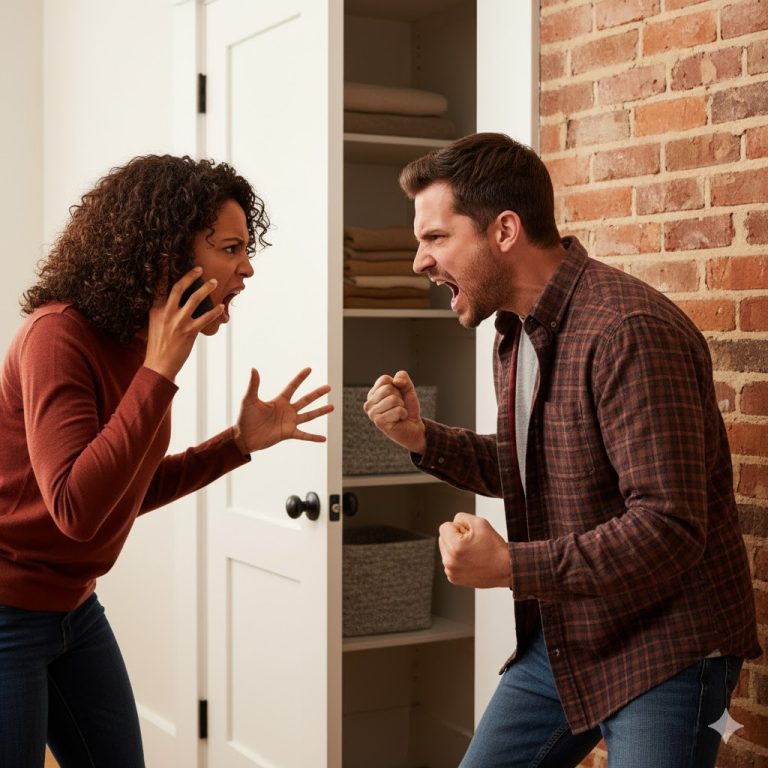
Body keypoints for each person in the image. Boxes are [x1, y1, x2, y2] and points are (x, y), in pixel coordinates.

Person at [364, 132, 760, 767]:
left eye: (436, 238)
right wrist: (421, 438)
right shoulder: (515, 332)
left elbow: (670, 527)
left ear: (504, 231)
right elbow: (540, 469)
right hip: (571, 637)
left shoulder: (629, 331)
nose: (420, 261)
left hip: (667, 647)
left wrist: (512, 566)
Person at [0, 154, 333, 768]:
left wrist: (235, 445)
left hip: (74, 607)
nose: (247, 268)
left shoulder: (133, 344)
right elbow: (77, 508)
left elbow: (128, 492)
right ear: (165, 254)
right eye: (231, 248)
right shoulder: (57, 336)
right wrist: (159, 370)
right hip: (8, 613)